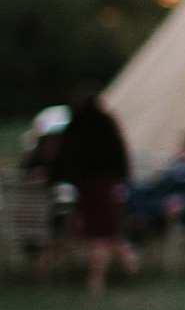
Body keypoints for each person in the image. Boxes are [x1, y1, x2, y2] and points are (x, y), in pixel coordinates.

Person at [52, 85, 139, 293]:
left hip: (90, 183)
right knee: (105, 229)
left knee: (99, 232)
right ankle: (127, 260)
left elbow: (65, 157)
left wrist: (64, 177)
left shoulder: (78, 126)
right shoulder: (106, 124)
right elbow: (120, 153)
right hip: (105, 182)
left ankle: (96, 279)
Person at [132, 132, 185, 239]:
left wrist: (182, 201)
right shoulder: (174, 164)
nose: (175, 147)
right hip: (159, 196)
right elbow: (159, 184)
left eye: (178, 144)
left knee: (156, 208)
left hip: (177, 206)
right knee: (135, 192)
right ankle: (139, 223)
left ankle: (142, 226)